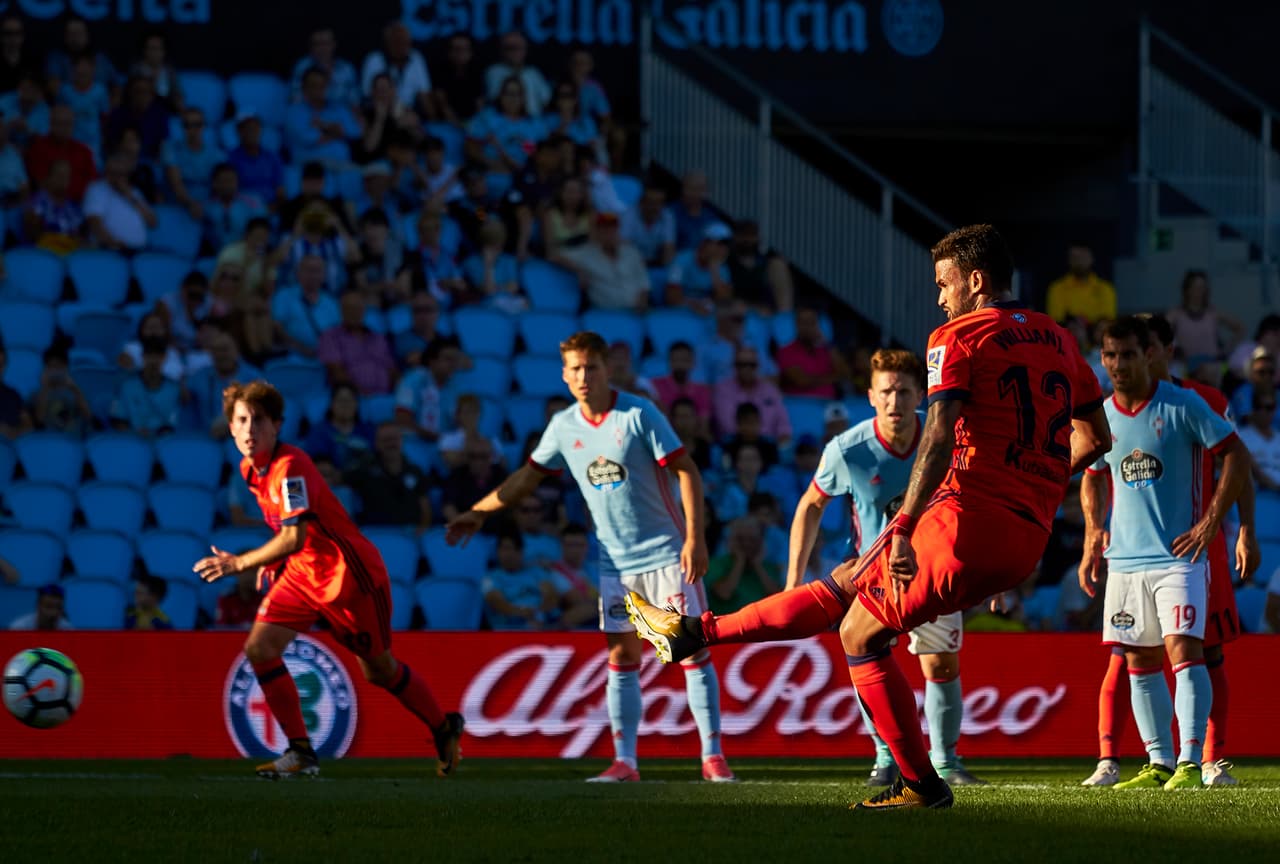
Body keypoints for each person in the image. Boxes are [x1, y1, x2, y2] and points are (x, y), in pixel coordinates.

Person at [625, 224, 1111, 809]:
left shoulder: (957, 335)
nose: (940, 297)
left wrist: (903, 524)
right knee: (850, 580)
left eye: (944, 282)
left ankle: (920, 785)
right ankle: (692, 633)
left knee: (858, 633)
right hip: (1026, 536)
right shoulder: (1060, 340)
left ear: (976, 281)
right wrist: (1039, 482)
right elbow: (1097, 438)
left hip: (963, 519)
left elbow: (937, 434)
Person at [445, 331, 734, 783]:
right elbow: (527, 477)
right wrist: (478, 513)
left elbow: (687, 471)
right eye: (575, 369)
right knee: (622, 658)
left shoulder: (639, 414)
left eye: (591, 367)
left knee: (690, 653)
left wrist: (694, 540)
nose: (584, 376)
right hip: (614, 563)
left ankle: (712, 757)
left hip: (664, 554)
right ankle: (626, 762)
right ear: (564, 375)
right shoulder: (563, 426)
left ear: (607, 369)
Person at [193, 380, 465, 779]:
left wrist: (243, 563)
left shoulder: (291, 467)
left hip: (347, 579)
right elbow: (290, 532)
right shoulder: (250, 470)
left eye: (259, 421)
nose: (250, 429)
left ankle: (444, 726)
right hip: (303, 574)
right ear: (231, 428)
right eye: (241, 421)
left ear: (277, 426)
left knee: (380, 671)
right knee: (260, 648)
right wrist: (276, 560)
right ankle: (301, 752)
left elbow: (294, 535)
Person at [780, 348, 982, 786]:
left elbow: (977, 496)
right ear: (871, 396)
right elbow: (811, 504)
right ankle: (885, 755)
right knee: (871, 664)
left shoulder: (944, 435)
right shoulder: (848, 450)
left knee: (941, 664)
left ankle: (946, 761)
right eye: (886, 392)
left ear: (920, 395)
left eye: (904, 391)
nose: (895, 401)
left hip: (935, 571)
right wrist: (794, 578)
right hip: (874, 578)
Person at [1082, 314, 1259, 788]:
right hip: (1124, 560)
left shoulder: (1185, 404)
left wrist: (1214, 523)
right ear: (1102, 359)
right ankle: (1158, 763)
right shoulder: (1102, 415)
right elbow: (1093, 474)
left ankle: (1193, 761)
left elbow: (1237, 455)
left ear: (1151, 355)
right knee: (1139, 660)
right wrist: (1092, 534)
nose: (1119, 365)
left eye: (1129, 355)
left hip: (1179, 557)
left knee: (1186, 652)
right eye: (1111, 356)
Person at [317, 291, 398, 396]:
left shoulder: (378, 338)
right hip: (352, 399)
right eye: (350, 308)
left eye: (358, 308)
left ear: (364, 310)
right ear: (341, 311)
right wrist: (360, 393)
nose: (354, 312)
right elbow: (336, 372)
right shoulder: (330, 337)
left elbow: (391, 369)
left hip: (384, 396)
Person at [704, 516, 782, 615]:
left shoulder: (769, 567)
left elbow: (779, 598)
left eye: (752, 539)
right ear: (731, 540)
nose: (746, 544)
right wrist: (739, 562)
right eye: (740, 539)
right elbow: (724, 593)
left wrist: (757, 566)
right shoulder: (716, 564)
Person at [83, 151, 157, 250]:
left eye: (122, 174)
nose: (118, 178)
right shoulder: (97, 189)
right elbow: (95, 223)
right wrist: (113, 243)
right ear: (106, 172)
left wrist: (129, 196)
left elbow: (152, 222)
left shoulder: (134, 192)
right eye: (113, 173)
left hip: (139, 251)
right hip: (110, 251)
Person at [1166, 270, 1244, 364]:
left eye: (1202, 288)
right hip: (1187, 368)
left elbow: (1240, 328)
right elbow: (1159, 332)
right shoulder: (1176, 314)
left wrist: (1226, 351)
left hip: (1211, 365)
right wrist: (1174, 351)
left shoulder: (1213, 313)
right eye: (1195, 287)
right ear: (1187, 289)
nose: (1199, 291)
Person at [162, 107, 224, 219]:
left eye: (197, 124)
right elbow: (176, 183)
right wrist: (190, 204)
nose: (193, 129)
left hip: (209, 207)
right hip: (178, 206)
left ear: (204, 126)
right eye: (188, 125)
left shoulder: (217, 154)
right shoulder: (171, 149)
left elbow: (220, 186)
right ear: (182, 127)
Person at [361, 21, 433, 115]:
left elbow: (424, 93)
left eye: (405, 41)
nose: (402, 46)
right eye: (397, 41)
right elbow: (368, 96)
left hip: (411, 114)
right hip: (381, 113)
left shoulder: (416, 58)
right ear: (387, 42)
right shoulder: (374, 60)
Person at [776, 306, 849, 398]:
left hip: (829, 406)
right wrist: (834, 378)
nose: (807, 327)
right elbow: (802, 381)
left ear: (817, 325)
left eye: (812, 322)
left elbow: (845, 373)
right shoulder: (786, 351)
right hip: (801, 406)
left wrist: (828, 345)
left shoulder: (825, 350)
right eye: (804, 322)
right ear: (797, 325)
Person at [1045, 244, 1116, 328]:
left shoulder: (1105, 289)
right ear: (1069, 260)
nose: (1079, 261)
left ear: (1092, 258)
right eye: (1075, 257)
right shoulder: (1057, 288)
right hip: (1067, 336)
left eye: (1083, 256)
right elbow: (1056, 321)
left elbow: (1107, 320)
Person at [290, 27, 361, 110]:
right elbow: (294, 98)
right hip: (309, 114)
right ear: (311, 47)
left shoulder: (346, 69)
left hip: (341, 116)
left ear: (334, 44)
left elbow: (355, 101)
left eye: (325, 43)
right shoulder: (302, 67)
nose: (322, 48)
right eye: (317, 44)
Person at [483, 31, 551, 117]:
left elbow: (547, 101)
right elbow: (493, 103)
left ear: (525, 49)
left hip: (532, 125)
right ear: (502, 50)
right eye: (510, 48)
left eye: (518, 47)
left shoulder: (534, 74)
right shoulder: (493, 72)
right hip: (502, 125)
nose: (514, 52)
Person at [621, 180, 676, 267]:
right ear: (641, 203)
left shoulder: (667, 216)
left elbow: (668, 248)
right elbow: (624, 246)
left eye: (659, 203)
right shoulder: (628, 215)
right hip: (631, 264)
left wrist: (666, 270)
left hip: (656, 263)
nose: (655, 207)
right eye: (651, 202)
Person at [1239, 389, 1280, 491]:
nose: (1265, 412)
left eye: (1270, 407)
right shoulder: (1241, 437)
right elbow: (1254, 472)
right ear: (1253, 409)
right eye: (1259, 407)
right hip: (1257, 495)